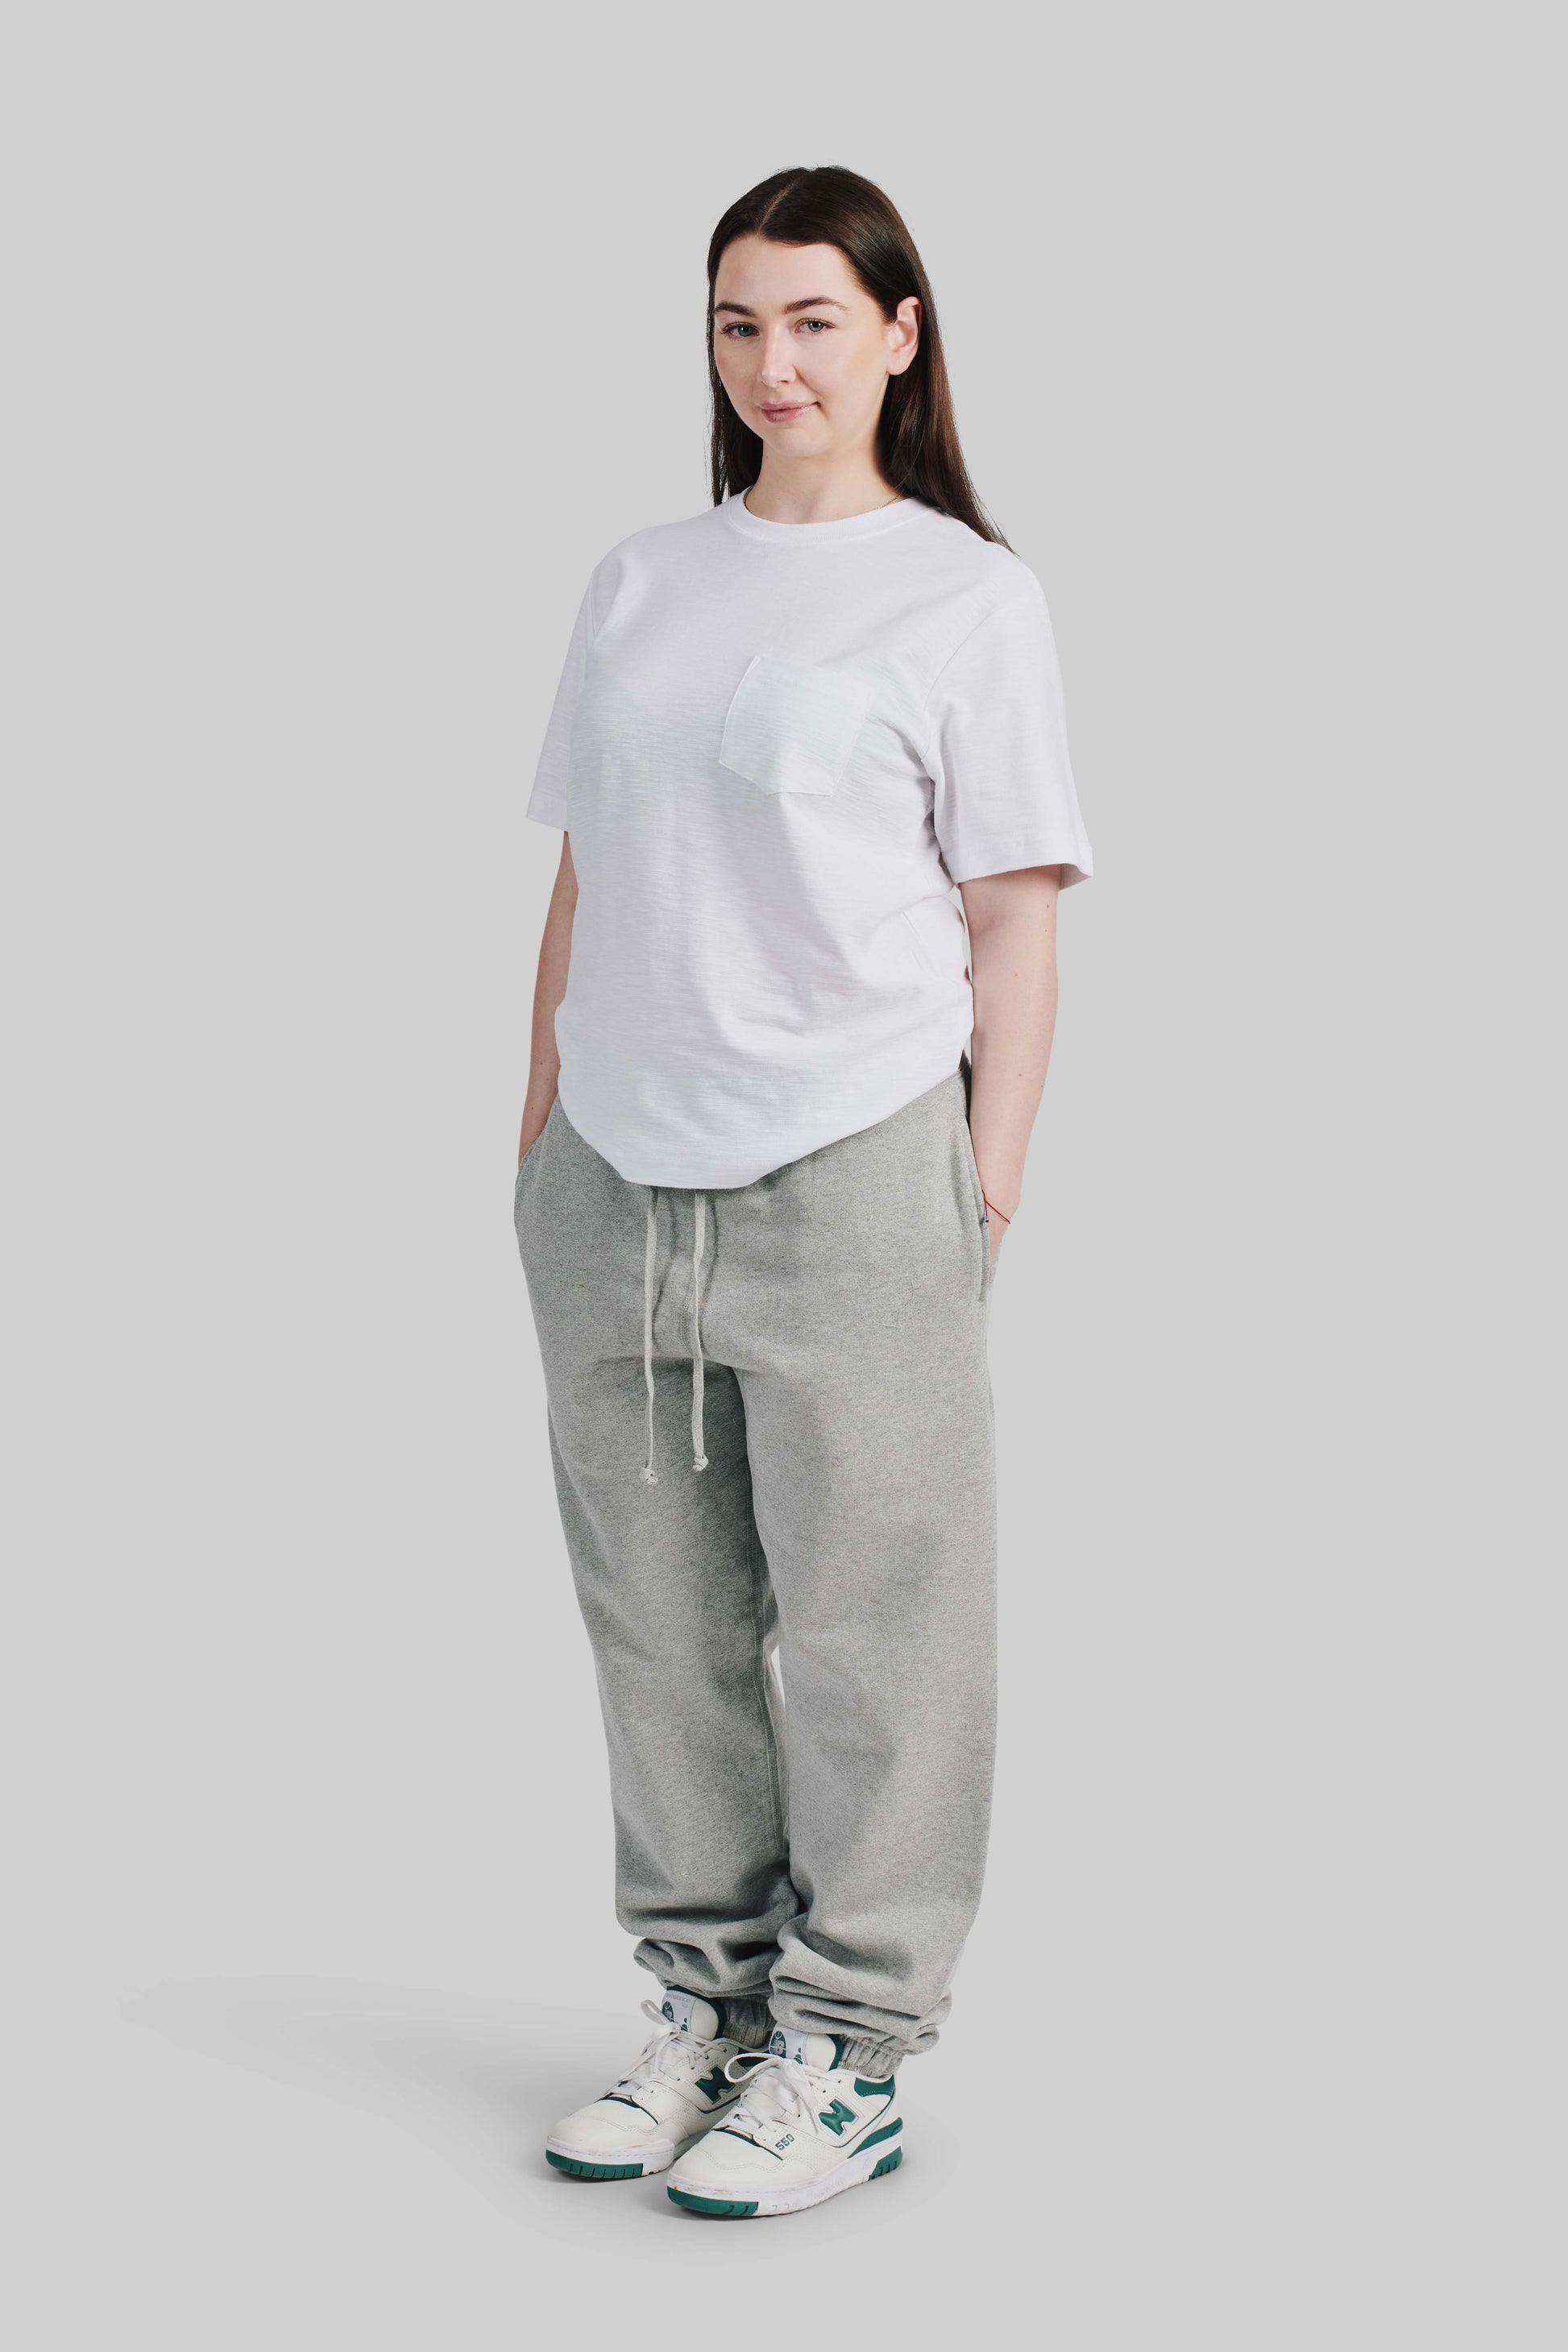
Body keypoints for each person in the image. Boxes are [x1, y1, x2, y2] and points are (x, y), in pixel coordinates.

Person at [512, 164, 1092, 2221]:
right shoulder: (642, 578)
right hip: (613, 1176)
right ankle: (706, 2004)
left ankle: (850, 2048)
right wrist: (535, 1140)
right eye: (739, 325)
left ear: (900, 336)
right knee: (659, 1628)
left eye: (816, 322)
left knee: (876, 1637)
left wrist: (980, 1195)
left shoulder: (963, 597)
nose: (775, 364)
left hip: (849, 1167)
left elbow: (1013, 921)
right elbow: (584, 872)